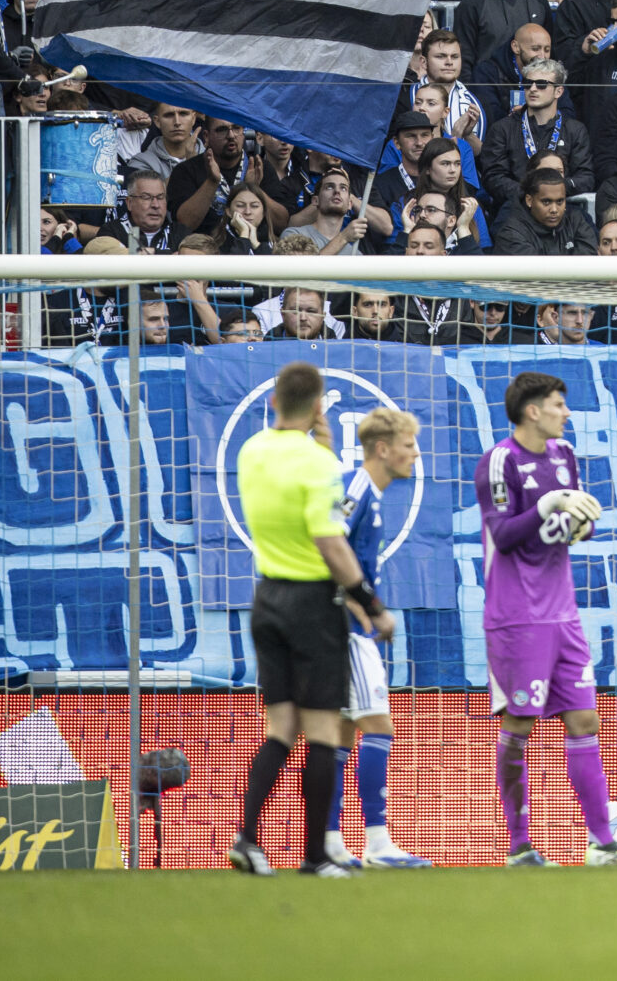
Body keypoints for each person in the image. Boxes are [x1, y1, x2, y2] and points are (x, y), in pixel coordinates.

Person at [227, 361, 395, 876]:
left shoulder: (251, 450)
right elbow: (331, 543)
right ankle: (317, 856)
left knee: (280, 729)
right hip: (313, 604)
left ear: (273, 402)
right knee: (322, 731)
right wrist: (371, 604)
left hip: (267, 597)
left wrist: (317, 445)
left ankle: (247, 838)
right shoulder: (319, 465)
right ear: (319, 406)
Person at [479, 371, 617, 866]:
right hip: (516, 615)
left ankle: (601, 843)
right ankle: (519, 846)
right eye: (558, 404)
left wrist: (579, 523)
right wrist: (548, 504)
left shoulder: (564, 454)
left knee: (585, 718)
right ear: (533, 411)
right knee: (520, 724)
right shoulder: (500, 460)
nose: (566, 413)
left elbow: (572, 526)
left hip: (563, 613)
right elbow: (504, 536)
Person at [322, 405, 431, 870]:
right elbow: (327, 543)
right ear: (383, 449)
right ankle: (378, 843)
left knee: (340, 734)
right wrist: (360, 608)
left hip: (340, 627)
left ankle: (330, 841)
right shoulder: (357, 486)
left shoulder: (370, 492)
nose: (415, 453)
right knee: (378, 726)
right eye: (409, 445)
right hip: (345, 629)